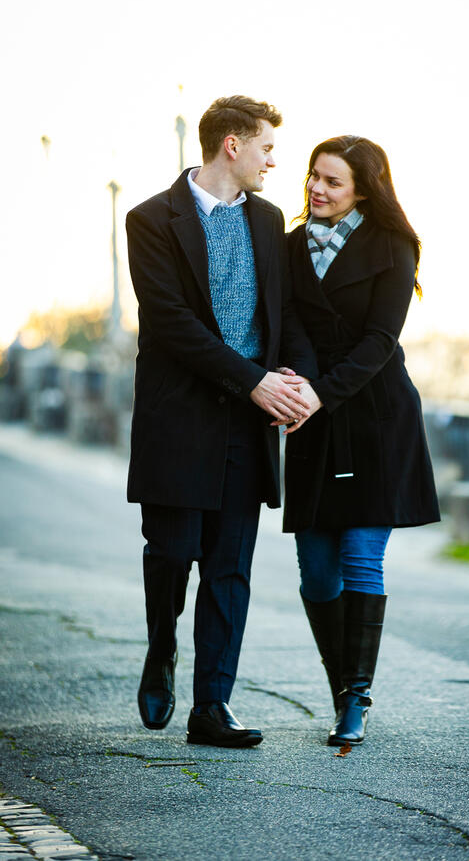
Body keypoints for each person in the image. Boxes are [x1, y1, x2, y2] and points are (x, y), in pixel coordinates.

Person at [126, 95, 317, 748]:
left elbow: (282, 316)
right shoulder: (150, 219)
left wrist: (294, 380)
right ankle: (161, 651)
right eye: (266, 146)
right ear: (232, 145)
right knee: (173, 553)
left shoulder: (268, 222)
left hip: (248, 424)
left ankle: (212, 705)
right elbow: (172, 326)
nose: (274, 160)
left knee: (230, 568)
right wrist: (253, 381)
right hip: (177, 422)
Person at [281, 136, 440, 746]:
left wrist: (322, 393)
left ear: (363, 190)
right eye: (312, 177)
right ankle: (340, 685)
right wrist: (301, 387)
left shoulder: (393, 245)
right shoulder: (289, 247)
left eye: (333, 182)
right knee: (317, 575)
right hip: (311, 418)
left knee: (358, 559)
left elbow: (380, 341)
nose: (317, 189)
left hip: (377, 418)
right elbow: (288, 322)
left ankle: (357, 698)